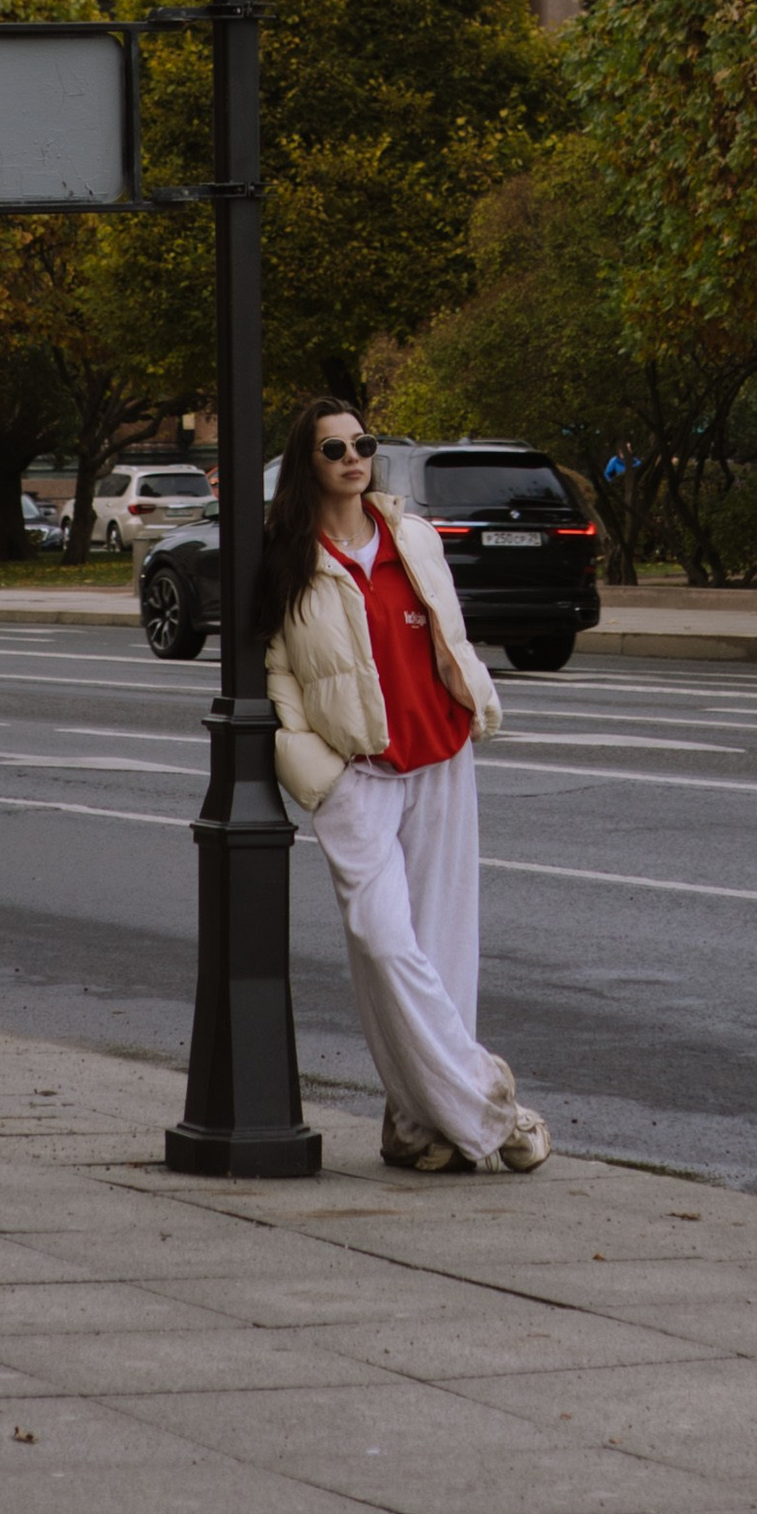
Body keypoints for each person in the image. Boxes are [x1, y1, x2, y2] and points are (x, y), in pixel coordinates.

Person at [262, 397, 550, 1175]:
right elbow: (277, 669)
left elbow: (448, 636)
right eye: (334, 449)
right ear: (308, 464)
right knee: (385, 944)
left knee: (445, 955)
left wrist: (479, 698)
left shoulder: (412, 536)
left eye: (363, 443)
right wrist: (309, 763)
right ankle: (494, 1113)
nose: (354, 457)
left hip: (440, 758)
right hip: (357, 772)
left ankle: (417, 1126)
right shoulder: (287, 555)